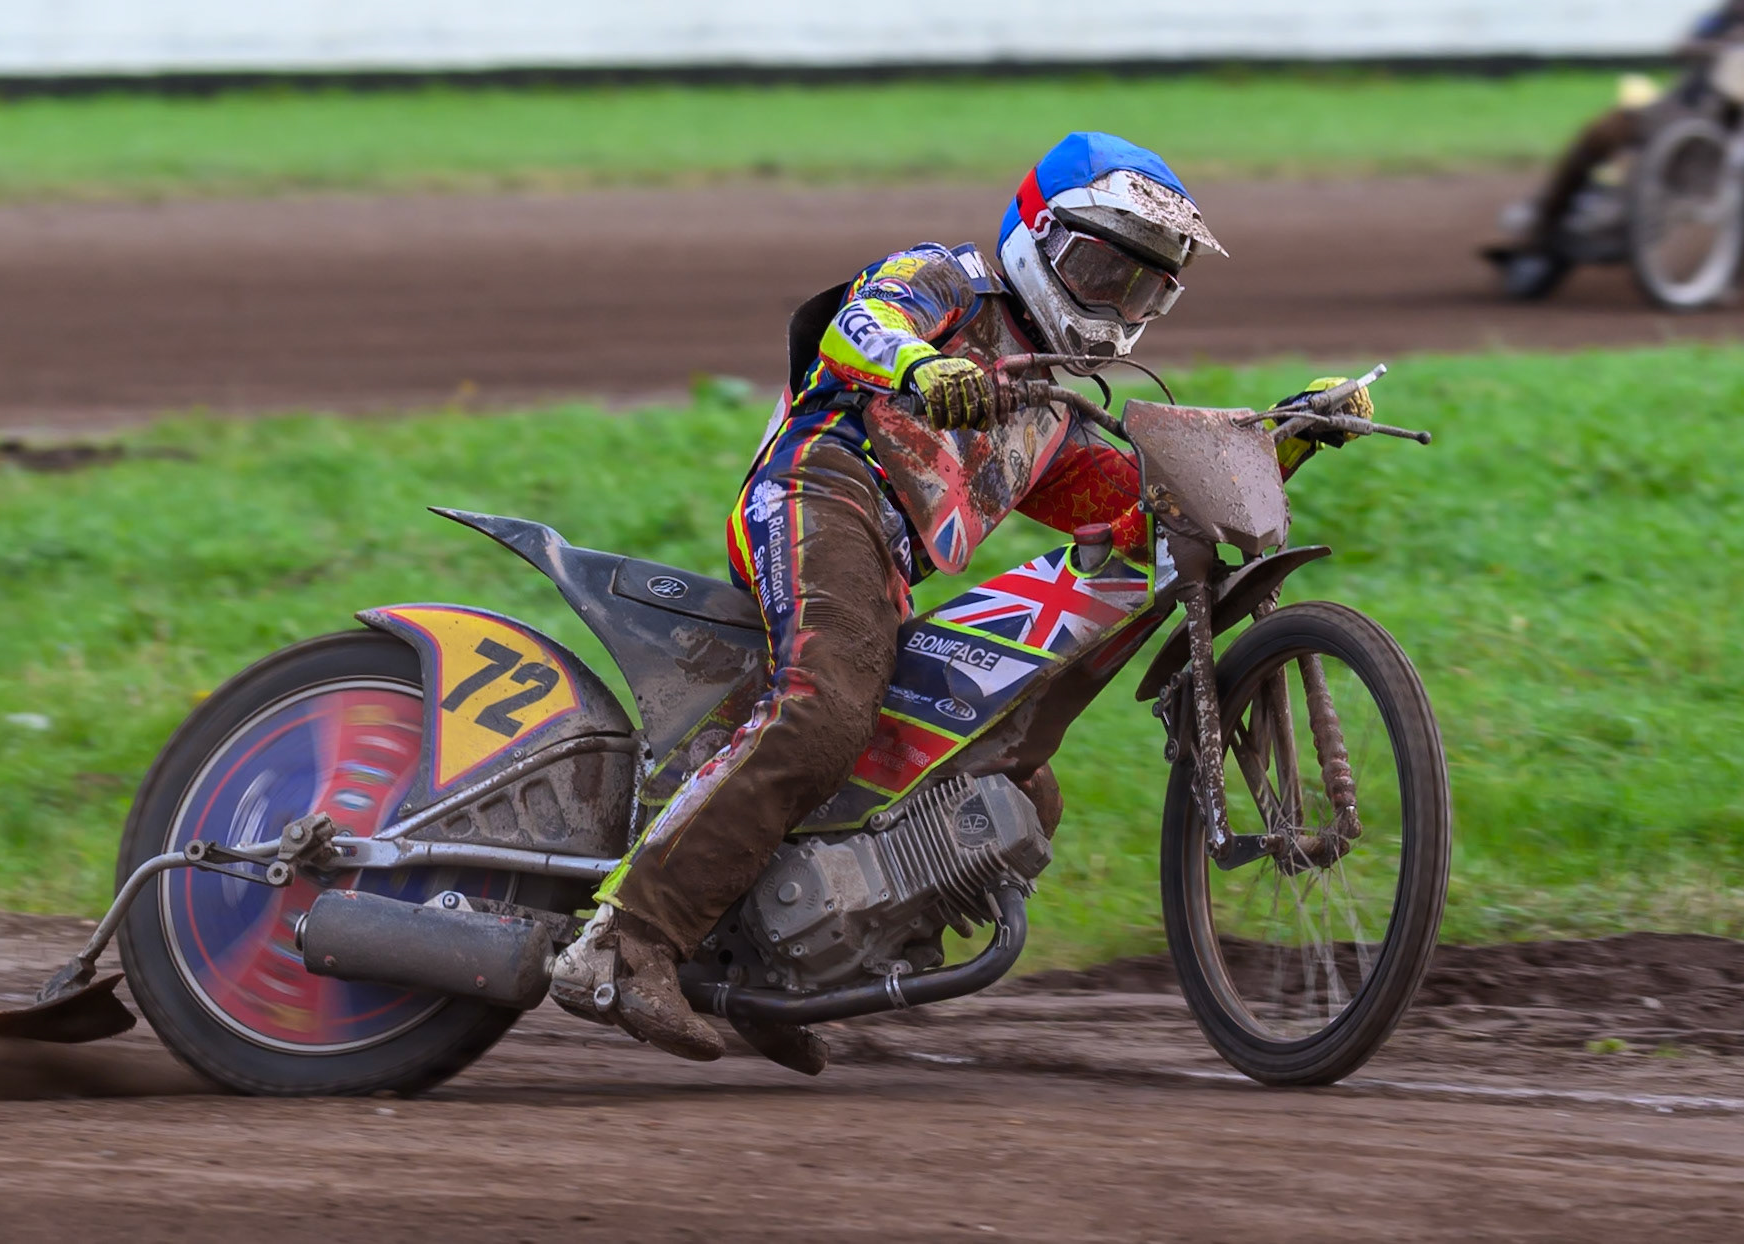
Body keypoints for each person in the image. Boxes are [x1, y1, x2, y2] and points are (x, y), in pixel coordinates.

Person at [553, 132, 1368, 1074]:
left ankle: (787, 973)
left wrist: (1285, 435)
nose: (1112, 301)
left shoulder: (1049, 420)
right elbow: (854, 328)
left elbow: (1146, 515)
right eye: (1099, 266)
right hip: (818, 490)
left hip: (886, 568)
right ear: (1038, 233)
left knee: (1014, 783)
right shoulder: (946, 280)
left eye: (1140, 287)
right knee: (824, 710)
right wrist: (918, 368)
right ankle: (627, 940)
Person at [1507, 0, 1744, 268]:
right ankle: (1543, 222)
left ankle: (1731, 270)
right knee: (1604, 132)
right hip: (1690, 106)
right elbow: (1691, 40)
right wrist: (1719, 45)